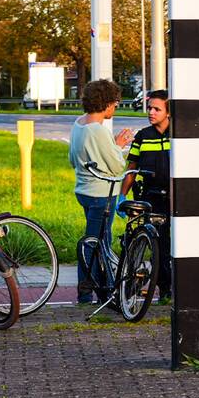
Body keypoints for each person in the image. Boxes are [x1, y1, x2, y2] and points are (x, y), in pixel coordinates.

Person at [68, 79, 133, 304]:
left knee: (93, 240)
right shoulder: (99, 131)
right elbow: (116, 166)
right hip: (101, 193)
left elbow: (72, 159)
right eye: (115, 103)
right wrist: (119, 145)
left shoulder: (78, 124)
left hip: (84, 190)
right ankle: (91, 293)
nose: (115, 108)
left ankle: (99, 289)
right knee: (97, 244)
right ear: (105, 103)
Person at [125, 90, 172, 299]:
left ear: (168, 112)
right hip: (150, 197)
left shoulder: (180, 134)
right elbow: (132, 168)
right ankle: (164, 288)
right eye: (149, 108)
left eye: (156, 109)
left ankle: (173, 284)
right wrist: (123, 196)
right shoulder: (143, 136)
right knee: (157, 244)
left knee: (173, 244)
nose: (151, 112)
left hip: (175, 197)